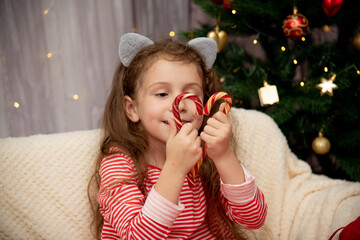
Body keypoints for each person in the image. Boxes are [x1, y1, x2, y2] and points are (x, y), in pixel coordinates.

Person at [88, 32, 267, 240]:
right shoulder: (120, 165)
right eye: (162, 94)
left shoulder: (204, 158)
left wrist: (224, 156)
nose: (180, 104)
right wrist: (175, 167)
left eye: (191, 93)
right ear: (132, 108)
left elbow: (253, 218)